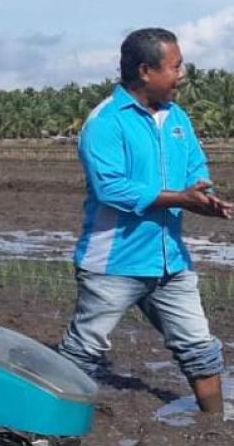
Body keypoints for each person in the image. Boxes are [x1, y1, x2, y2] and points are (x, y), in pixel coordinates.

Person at [57, 28, 231, 416]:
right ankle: (50, 426)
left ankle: (215, 426)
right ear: (146, 71)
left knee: (200, 347)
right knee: (84, 352)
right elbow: (112, 189)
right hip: (114, 263)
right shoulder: (105, 122)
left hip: (171, 261)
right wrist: (179, 199)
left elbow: (195, 166)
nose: (182, 74)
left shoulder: (177, 117)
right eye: (176, 66)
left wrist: (203, 198)